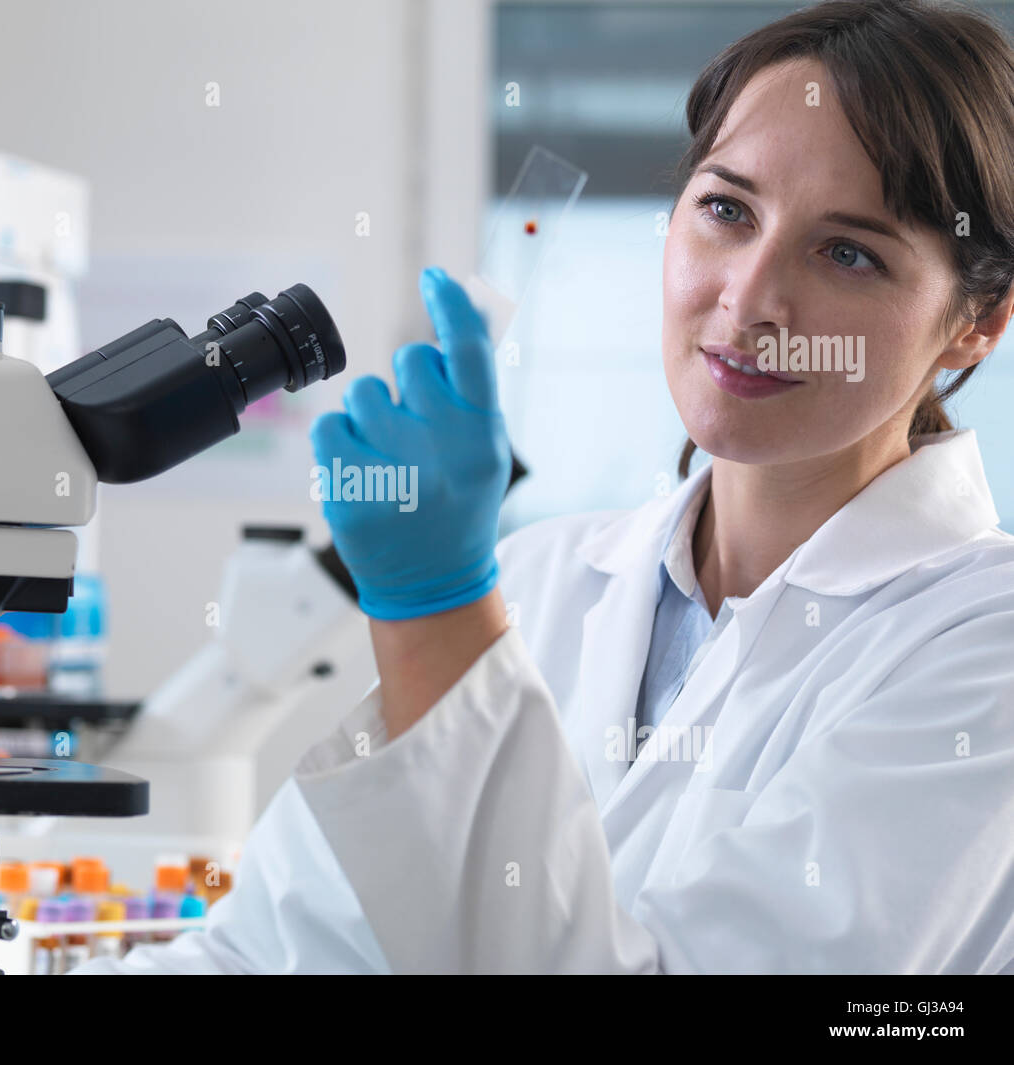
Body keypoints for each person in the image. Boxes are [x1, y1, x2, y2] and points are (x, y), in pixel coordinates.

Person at [71, 0, 1014, 974]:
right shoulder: (538, 578)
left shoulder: (984, 653)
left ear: (976, 322)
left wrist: (435, 608)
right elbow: (277, 950)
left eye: (847, 252)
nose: (748, 297)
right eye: (726, 210)